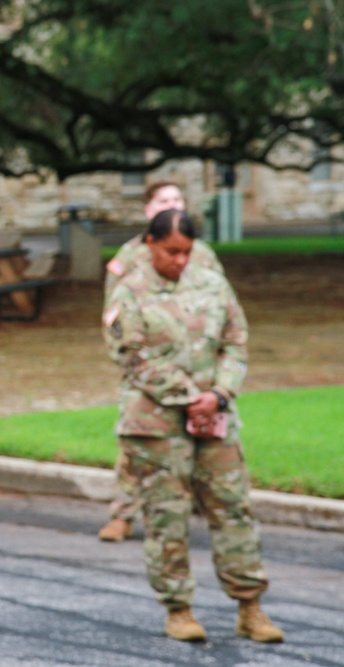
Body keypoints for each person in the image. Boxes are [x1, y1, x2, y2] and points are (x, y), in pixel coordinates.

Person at [103, 208, 283, 643]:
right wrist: (191, 398)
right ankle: (178, 609)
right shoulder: (129, 292)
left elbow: (236, 343)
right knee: (167, 516)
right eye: (171, 251)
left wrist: (218, 394)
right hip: (156, 424)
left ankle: (250, 607)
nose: (180, 260)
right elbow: (132, 357)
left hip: (216, 418)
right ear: (150, 244)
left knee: (233, 509)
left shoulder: (213, 283)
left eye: (186, 251)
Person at [98, 179, 226, 542]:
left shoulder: (201, 254)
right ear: (148, 209)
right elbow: (115, 316)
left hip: (197, 366)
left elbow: (220, 302)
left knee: (205, 441)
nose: (172, 204)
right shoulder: (129, 256)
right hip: (145, 368)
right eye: (164, 199)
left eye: (177, 198)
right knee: (134, 444)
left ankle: (195, 504)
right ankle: (123, 513)